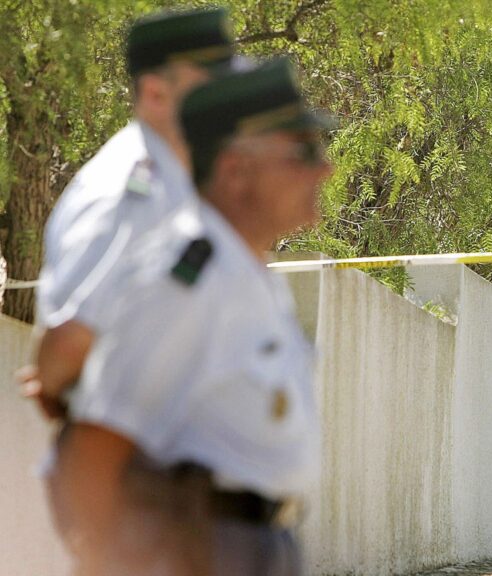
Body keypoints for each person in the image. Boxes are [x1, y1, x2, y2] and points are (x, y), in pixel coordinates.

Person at [48, 57, 334, 575]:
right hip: (202, 550)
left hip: (257, 544)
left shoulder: (247, 273)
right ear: (234, 170)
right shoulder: (183, 282)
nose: (325, 169)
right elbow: (93, 451)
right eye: (302, 152)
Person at [19, 7, 242, 419]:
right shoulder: (135, 191)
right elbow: (70, 337)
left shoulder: (172, 182)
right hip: (130, 453)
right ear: (156, 93)